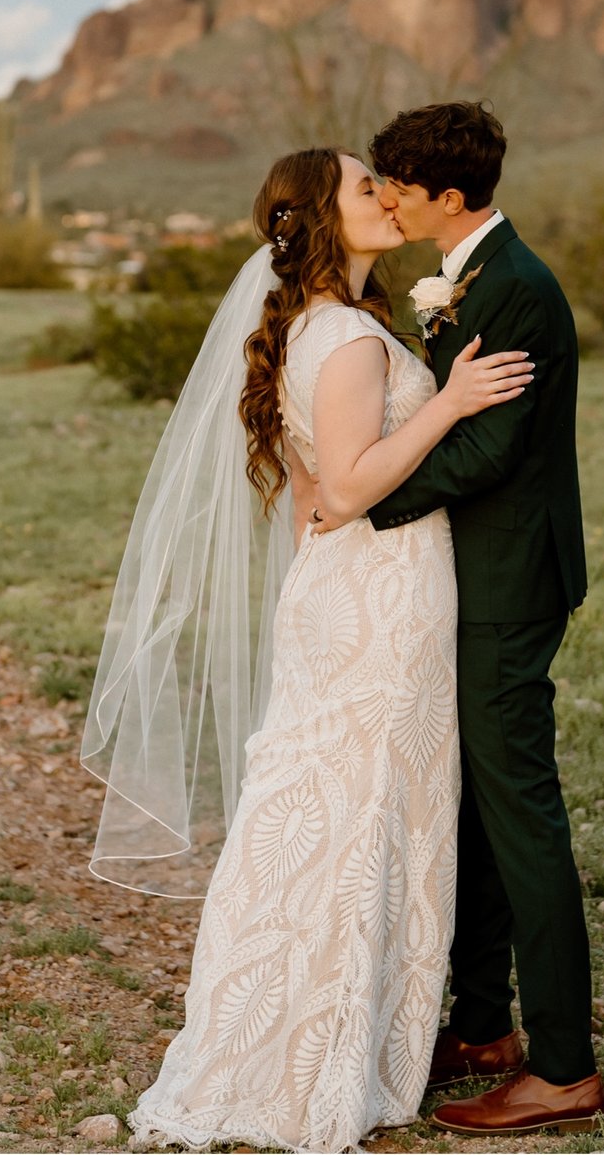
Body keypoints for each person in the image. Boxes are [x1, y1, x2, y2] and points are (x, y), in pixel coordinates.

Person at [80, 145, 534, 1152]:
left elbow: (304, 497)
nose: (386, 195)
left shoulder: (331, 326)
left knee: (335, 802)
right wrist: (454, 402)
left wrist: (315, 591)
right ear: (325, 219)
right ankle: (309, 1053)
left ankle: (310, 1025)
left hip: (345, 589)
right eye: (364, 186)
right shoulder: (348, 339)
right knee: (360, 806)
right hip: (382, 591)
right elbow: (347, 485)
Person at [343, 101, 604, 1137]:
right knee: (475, 808)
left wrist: (368, 496)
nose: (387, 197)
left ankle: (564, 1065)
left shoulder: (518, 287)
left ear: (449, 196)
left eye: (398, 184)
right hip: (472, 574)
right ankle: (485, 1023)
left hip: (506, 582)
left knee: (522, 816)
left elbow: (491, 449)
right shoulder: (471, 275)